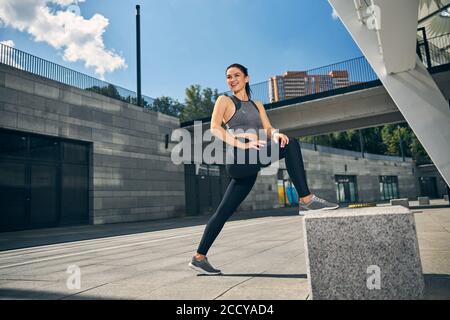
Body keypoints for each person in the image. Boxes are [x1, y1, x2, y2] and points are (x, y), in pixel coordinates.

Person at [188, 63, 339, 275]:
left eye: (237, 75)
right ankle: (305, 200)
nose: (232, 80)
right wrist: (240, 143)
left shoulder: (257, 104)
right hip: (238, 158)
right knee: (292, 145)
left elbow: (267, 129)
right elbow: (215, 127)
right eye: (228, 77)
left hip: (249, 166)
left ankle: (199, 257)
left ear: (247, 78)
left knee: (223, 212)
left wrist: (276, 135)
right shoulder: (224, 100)